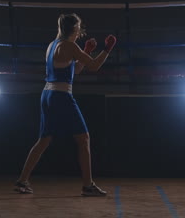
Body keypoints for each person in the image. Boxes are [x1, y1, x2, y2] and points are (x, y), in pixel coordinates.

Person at [14, 13, 116, 196]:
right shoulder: (69, 46)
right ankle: (88, 185)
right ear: (75, 29)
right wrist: (107, 49)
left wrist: (85, 51)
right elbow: (93, 66)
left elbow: (74, 70)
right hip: (61, 95)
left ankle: (22, 180)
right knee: (83, 138)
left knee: (44, 140)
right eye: (79, 28)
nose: (80, 31)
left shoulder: (52, 45)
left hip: (47, 94)